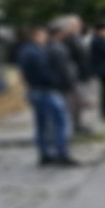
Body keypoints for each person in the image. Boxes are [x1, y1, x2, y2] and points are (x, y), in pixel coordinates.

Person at [17, 27, 77, 166]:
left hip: (34, 90)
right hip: (46, 90)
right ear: (35, 36)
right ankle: (61, 152)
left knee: (41, 124)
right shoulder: (37, 52)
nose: (45, 38)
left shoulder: (25, 51)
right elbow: (44, 72)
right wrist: (56, 81)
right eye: (42, 35)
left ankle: (44, 154)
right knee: (60, 121)